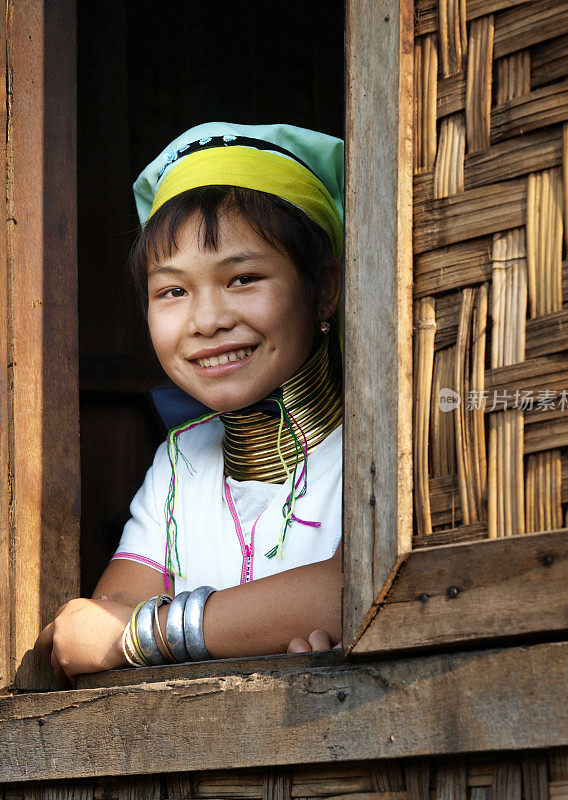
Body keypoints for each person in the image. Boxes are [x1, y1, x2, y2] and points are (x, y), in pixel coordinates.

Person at [37, 123, 344, 685]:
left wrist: (141, 637)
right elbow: (92, 629)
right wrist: (257, 629)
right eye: (173, 291)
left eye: (244, 278)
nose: (208, 322)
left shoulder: (377, 443)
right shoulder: (179, 463)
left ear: (323, 288)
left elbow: (357, 587)